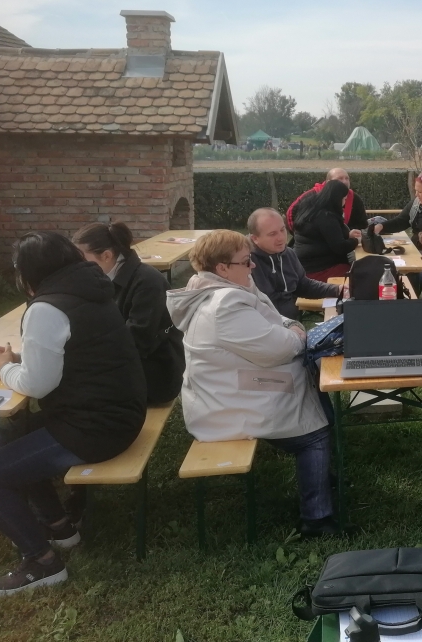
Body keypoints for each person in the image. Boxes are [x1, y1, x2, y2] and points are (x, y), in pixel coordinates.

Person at [0, 231, 146, 595]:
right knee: (14, 434)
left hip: (95, 428)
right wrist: (20, 358)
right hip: (118, 413)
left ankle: (42, 563)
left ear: (27, 273)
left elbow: (37, 385)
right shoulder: (90, 290)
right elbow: (78, 352)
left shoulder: (47, 308)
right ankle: (60, 526)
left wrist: (3, 367)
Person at [167, 230, 336, 537]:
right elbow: (278, 348)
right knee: (315, 435)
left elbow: (274, 320)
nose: (253, 266)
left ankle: (323, 479)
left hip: (226, 389)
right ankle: (317, 521)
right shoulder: (225, 305)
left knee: (316, 389)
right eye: (246, 261)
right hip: (227, 404)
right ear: (222, 268)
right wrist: (298, 334)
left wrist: (291, 328)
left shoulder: (222, 288)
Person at [71, 221, 184, 405]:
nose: (76, 265)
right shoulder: (102, 277)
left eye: (81, 258)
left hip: (155, 377)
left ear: (106, 255)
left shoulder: (148, 283)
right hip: (126, 366)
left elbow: (135, 342)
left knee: (73, 389)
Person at [247, 208, 342, 320]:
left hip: (291, 323)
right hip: (266, 325)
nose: (281, 238)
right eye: (272, 234)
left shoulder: (289, 254)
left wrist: (337, 289)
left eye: (282, 230)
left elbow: (303, 285)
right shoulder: (245, 263)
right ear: (255, 238)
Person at [292, 179, 361, 281]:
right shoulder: (326, 217)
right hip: (317, 269)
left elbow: (324, 236)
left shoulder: (311, 208)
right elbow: (340, 247)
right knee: (359, 276)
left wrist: (347, 235)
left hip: (303, 265)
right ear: (337, 199)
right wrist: (356, 241)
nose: (344, 202)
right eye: (344, 199)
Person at [286, 168, 369, 234]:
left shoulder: (354, 198)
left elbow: (362, 223)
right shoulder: (312, 196)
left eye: (347, 178)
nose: (345, 181)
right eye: (340, 178)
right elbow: (290, 213)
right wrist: (299, 234)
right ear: (328, 182)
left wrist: (348, 233)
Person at [372, 171, 422, 247]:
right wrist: (381, 226)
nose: (416, 194)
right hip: (415, 249)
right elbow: (400, 222)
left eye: (420, 192)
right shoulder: (415, 205)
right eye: (415, 191)